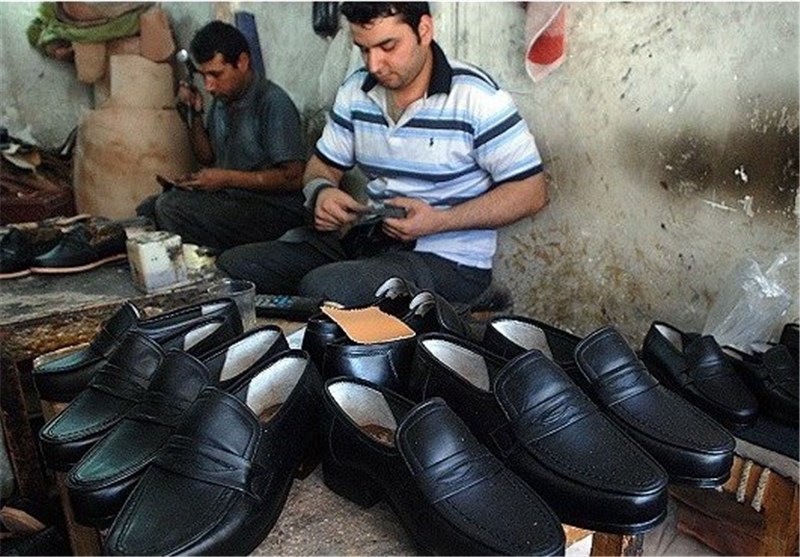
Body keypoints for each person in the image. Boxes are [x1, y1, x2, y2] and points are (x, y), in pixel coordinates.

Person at [217, 2, 548, 306]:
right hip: (370, 241)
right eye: (364, 49)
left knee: (325, 288)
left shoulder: (476, 97)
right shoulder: (356, 91)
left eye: (388, 46)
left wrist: (440, 221)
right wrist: (321, 191)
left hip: (450, 261)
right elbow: (321, 166)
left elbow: (531, 193)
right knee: (238, 268)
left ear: (424, 30)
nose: (374, 65)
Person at [137, 21, 307, 252]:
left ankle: (212, 261)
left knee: (171, 208)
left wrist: (226, 179)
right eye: (203, 76)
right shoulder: (222, 102)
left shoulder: (272, 102)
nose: (209, 86)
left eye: (216, 74)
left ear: (242, 62)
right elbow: (206, 156)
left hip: (273, 209)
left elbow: (293, 177)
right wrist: (194, 115)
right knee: (149, 208)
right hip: (234, 201)